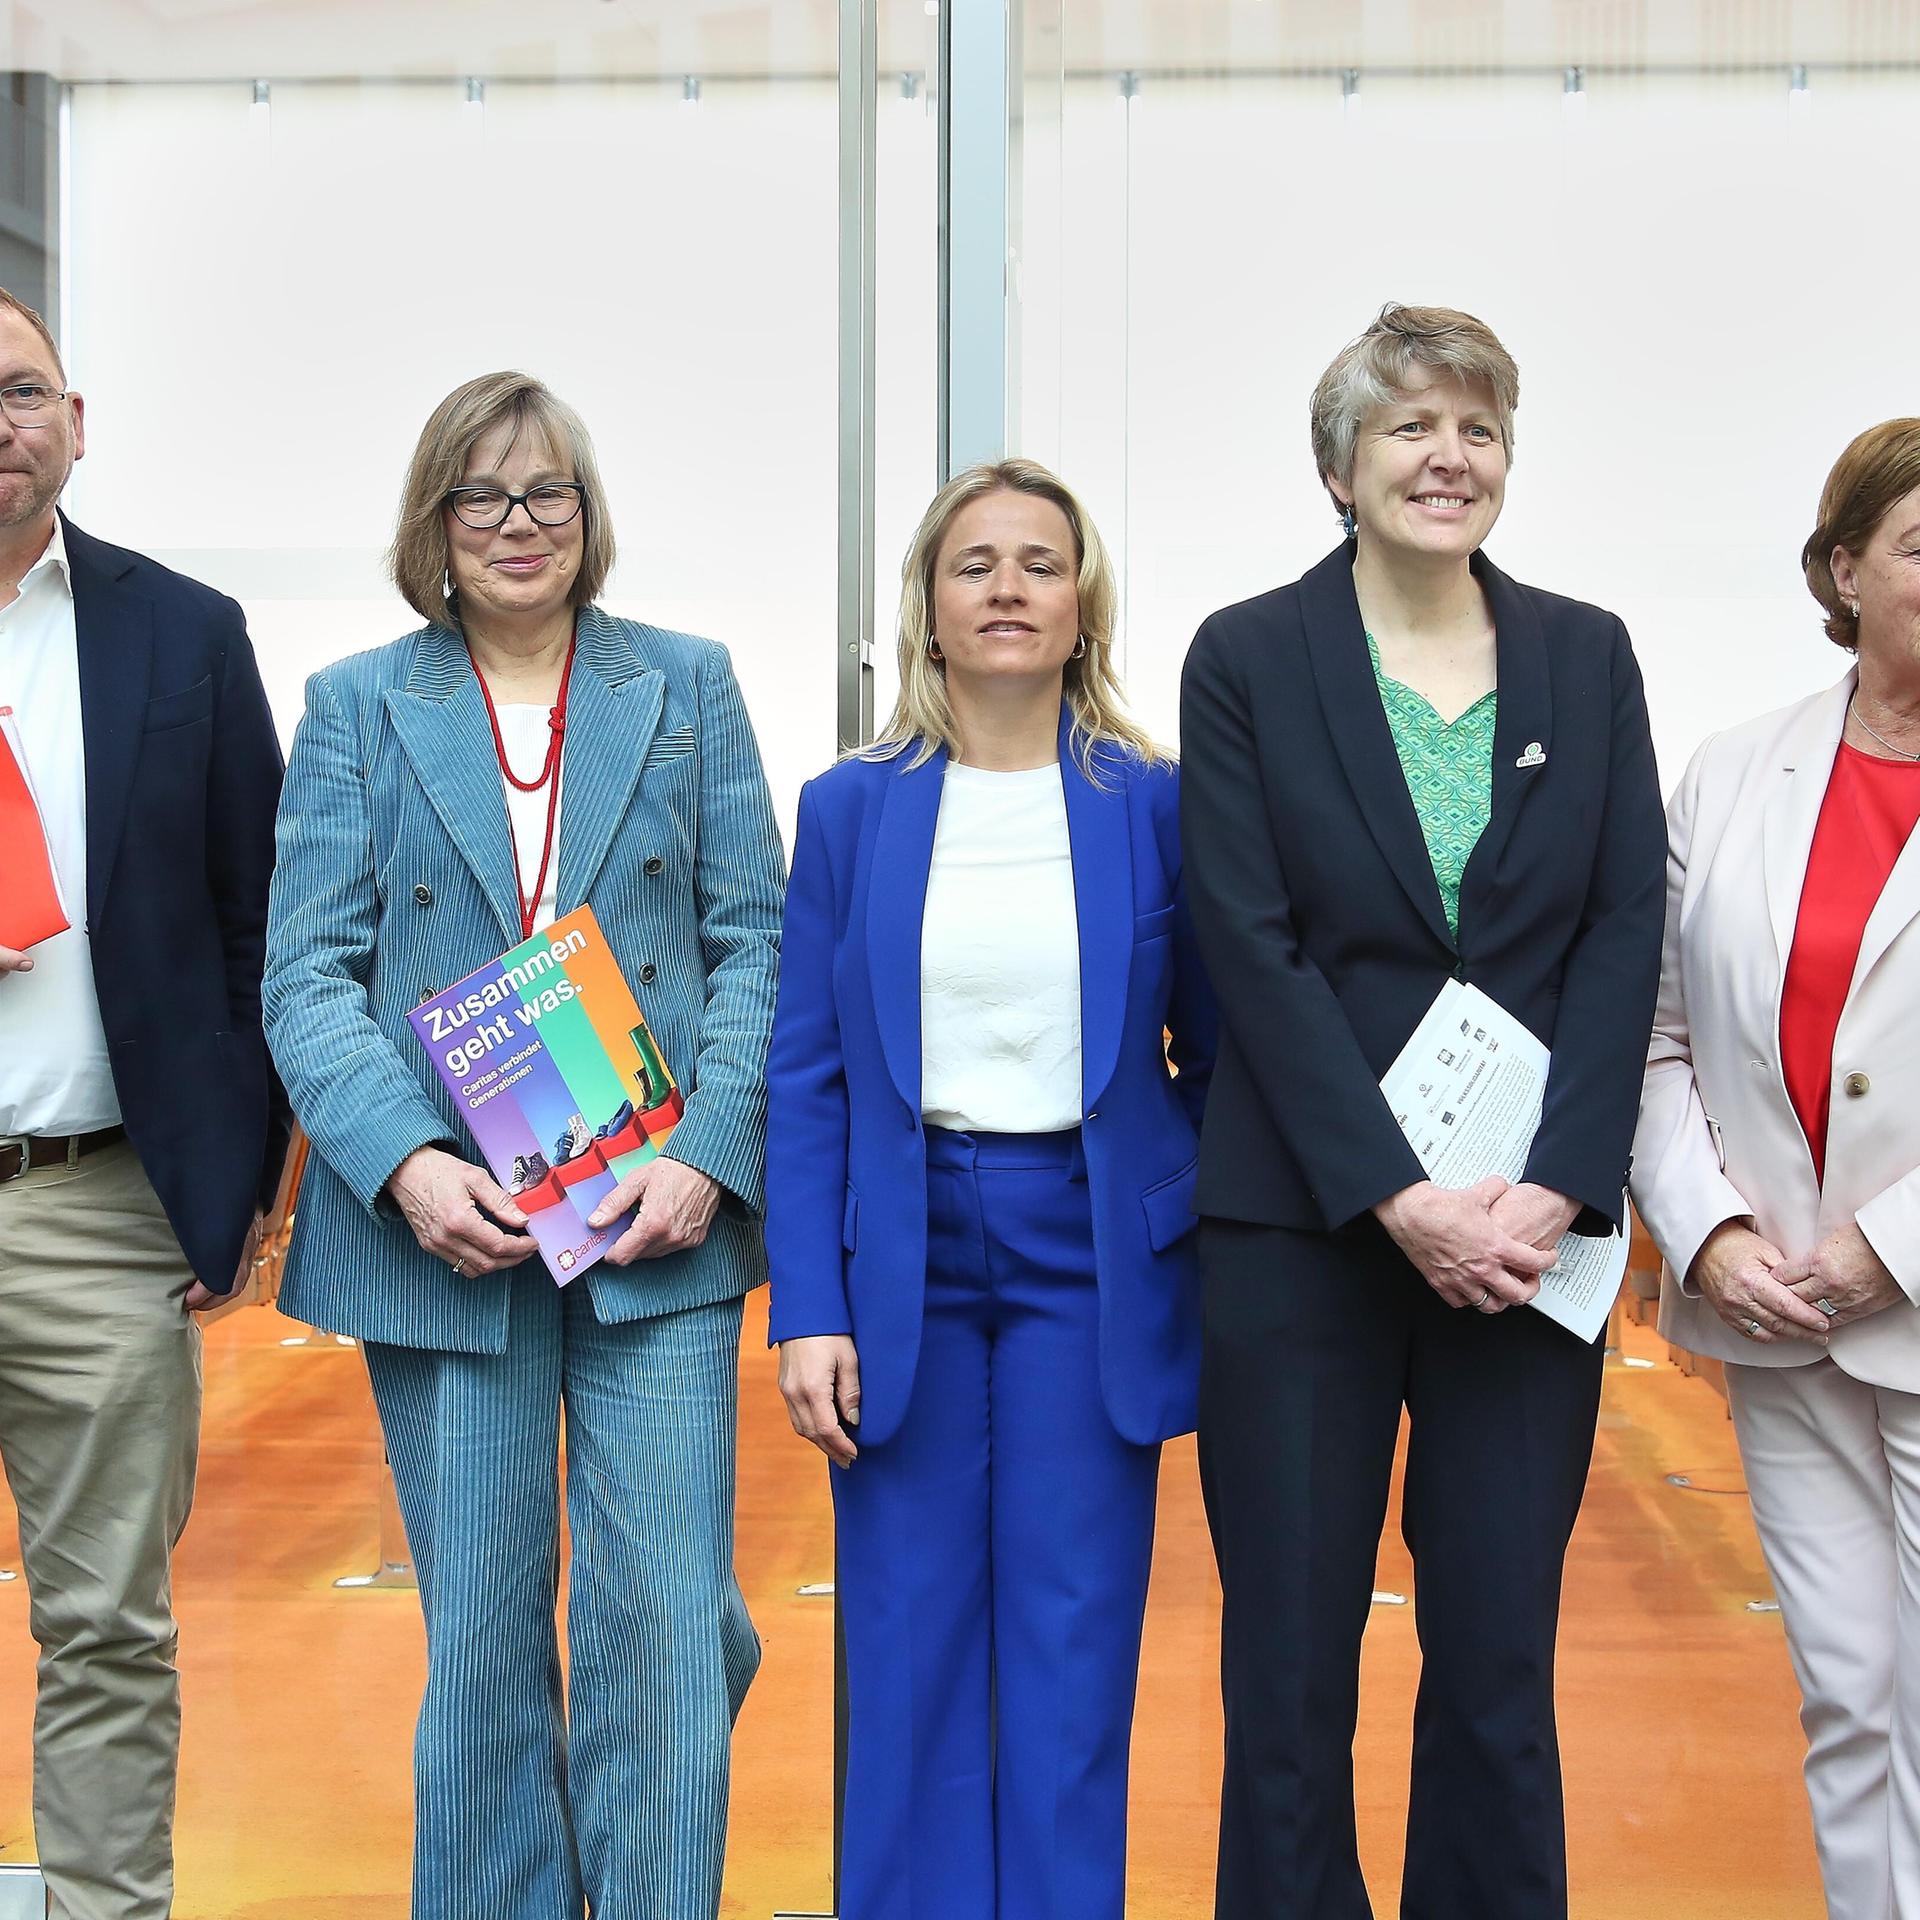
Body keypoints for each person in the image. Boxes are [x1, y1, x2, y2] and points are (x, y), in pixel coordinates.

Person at [262, 371, 785, 1920]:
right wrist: (411, 1167)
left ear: (588, 512)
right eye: (479, 497)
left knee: (672, 1624)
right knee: (484, 1637)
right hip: (451, 1230)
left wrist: (704, 1154)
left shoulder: (688, 687)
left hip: (651, 1225)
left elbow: (756, 936)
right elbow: (308, 969)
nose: (516, 523)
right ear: (433, 524)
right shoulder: (358, 705)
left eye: (547, 491)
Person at [1179, 303, 1666, 1919]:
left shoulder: (1586, 656)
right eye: (1410, 428)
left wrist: (1559, 1185)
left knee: (1500, 1667)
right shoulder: (1247, 656)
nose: (1448, 457)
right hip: (1305, 1234)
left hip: (1529, 1245)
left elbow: (1617, 931)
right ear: (1340, 466)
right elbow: (1246, 940)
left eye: (1479, 430)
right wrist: (1397, 1194)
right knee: (1293, 1674)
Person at [765, 458, 1214, 1920]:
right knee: (906, 1650)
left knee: (1075, 1649)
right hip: (905, 1251)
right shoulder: (850, 810)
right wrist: (807, 1306)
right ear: (930, 609)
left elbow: (1211, 1052)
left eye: (1041, 562)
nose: (1010, 587)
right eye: (976, 565)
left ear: (1082, 607)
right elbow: (810, 1070)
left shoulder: (1153, 805)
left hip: (1091, 1247)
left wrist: (1184, 1226)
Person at [0, 286, 286, 1919]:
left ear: (78, 422)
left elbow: (259, 922)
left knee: (106, 1621)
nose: (2, 422)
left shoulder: (183, 635)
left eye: (25, 390)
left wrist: (233, 1177)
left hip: (100, 1209)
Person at [1632, 418, 1920, 1919]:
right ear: (1844, 568)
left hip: (1909, 1297)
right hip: (1778, 1315)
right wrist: (1713, 1233)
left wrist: (1896, 1247)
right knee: (1850, 1691)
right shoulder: (1736, 773)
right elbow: (1659, 1039)